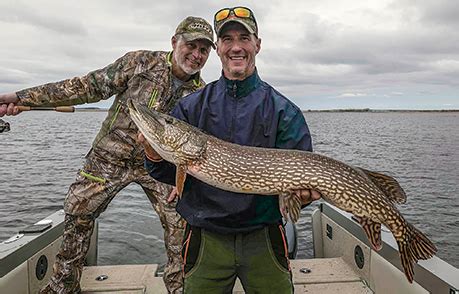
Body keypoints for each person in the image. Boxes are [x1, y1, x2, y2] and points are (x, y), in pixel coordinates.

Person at [0, 16, 214, 294]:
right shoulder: (139, 63)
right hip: (109, 158)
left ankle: (179, 288)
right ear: (175, 42)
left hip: (161, 168)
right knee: (78, 211)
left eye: (203, 50)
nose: (196, 55)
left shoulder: (202, 93)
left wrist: (182, 181)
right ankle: (63, 286)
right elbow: (84, 87)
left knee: (181, 224)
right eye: (190, 45)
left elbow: (194, 147)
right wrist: (21, 97)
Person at [142, 7, 321, 293]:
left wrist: (303, 197)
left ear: (257, 45)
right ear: (219, 49)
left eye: (244, 38)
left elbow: (300, 191)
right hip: (206, 239)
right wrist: (152, 151)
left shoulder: (284, 111)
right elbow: (164, 170)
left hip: (263, 237)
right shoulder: (191, 107)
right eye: (227, 39)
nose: (236, 47)